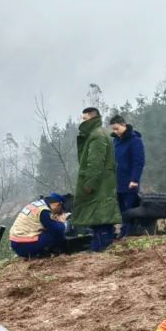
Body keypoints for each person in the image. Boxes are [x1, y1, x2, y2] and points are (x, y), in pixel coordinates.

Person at [74, 107, 121, 252]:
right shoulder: (98, 134)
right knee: (98, 217)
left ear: (92, 118)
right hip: (103, 184)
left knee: (100, 217)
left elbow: (95, 162)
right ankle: (101, 246)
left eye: (85, 119)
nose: (82, 121)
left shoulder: (97, 135)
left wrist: (90, 183)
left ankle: (101, 248)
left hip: (100, 185)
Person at [109, 114, 145, 238]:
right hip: (118, 181)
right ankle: (126, 230)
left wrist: (134, 179)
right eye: (113, 129)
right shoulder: (116, 141)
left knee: (130, 207)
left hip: (130, 181)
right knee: (122, 208)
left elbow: (138, 161)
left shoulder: (135, 141)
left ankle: (128, 231)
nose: (115, 132)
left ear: (124, 125)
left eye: (116, 128)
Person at [8, 193, 70, 258]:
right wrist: (63, 222)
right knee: (57, 234)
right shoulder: (44, 211)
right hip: (24, 246)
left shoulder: (37, 204)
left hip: (16, 243)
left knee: (49, 230)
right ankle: (56, 251)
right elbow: (57, 230)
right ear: (58, 205)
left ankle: (39, 252)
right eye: (61, 209)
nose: (60, 212)